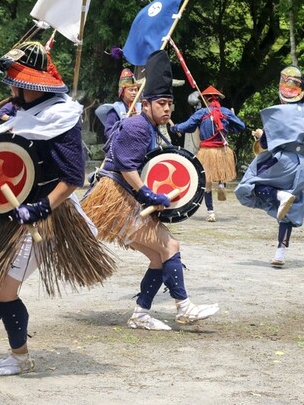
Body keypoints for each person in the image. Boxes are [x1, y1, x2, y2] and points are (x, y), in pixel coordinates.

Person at [0, 41, 116, 377]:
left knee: (4, 289)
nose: (12, 88)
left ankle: (20, 357)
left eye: (18, 83)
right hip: (8, 209)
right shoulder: (25, 114)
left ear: (35, 85)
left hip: (46, 214)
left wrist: (39, 209)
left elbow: (72, 178)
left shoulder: (61, 119)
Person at [82, 50, 219, 331]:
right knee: (170, 246)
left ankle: (141, 314)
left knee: (158, 257)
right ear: (146, 105)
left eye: (170, 104)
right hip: (116, 201)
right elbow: (124, 165)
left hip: (119, 200)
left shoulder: (149, 126)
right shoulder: (138, 126)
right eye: (161, 103)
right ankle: (184, 308)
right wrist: (147, 194)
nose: (167, 109)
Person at [234, 66, 304, 266]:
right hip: (301, 165)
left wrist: (260, 135)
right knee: (289, 209)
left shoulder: (277, 113)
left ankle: (279, 196)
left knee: (250, 186)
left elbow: (265, 145)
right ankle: (280, 253)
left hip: (282, 161)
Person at [171, 85, 246, 222]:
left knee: (207, 183)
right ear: (218, 99)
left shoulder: (201, 113)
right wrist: (232, 118)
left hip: (206, 152)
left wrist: (174, 127)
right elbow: (241, 127)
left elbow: (187, 126)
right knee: (220, 173)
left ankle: (211, 212)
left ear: (204, 99)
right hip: (222, 150)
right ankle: (222, 185)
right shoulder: (225, 112)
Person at [94, 67, 139, 139]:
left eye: (136, 90)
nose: (134, 93)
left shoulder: (141, 108)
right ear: (123, 92)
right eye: (131, 90)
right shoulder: (115, 111)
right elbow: (109, 133)